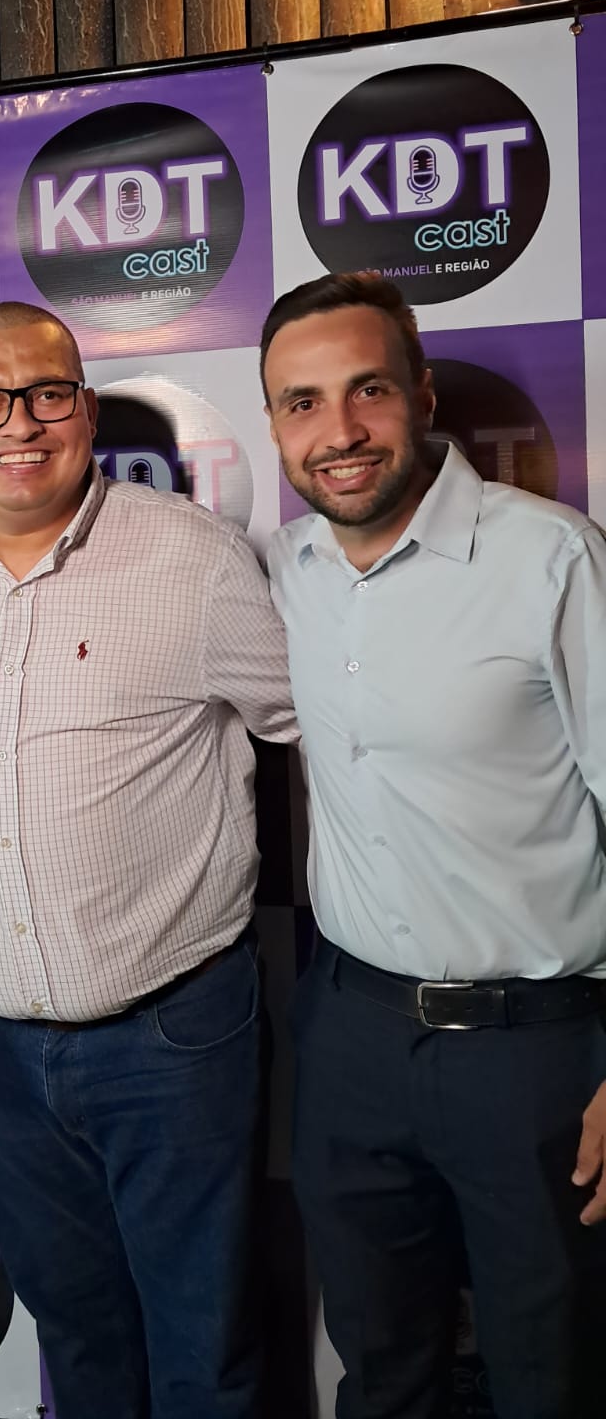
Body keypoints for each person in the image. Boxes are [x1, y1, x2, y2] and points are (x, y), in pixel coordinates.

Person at [0, 301, 296, 1419]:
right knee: (75, 1331)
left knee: (205, 1345)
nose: (18, 423)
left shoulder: (194, 557)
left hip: (171, 1035)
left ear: (87, 409)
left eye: (47, 393)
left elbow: (315, 729)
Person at [261, 271, 606, 1419]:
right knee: (379, 1369)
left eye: (367, 389)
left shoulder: (551, 559)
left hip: (537, 1051)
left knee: (552, 1378)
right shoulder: (285, 570)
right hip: (350, 1034)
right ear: (275, 425)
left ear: (422, 393)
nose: (339, 430)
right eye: (302, 402)